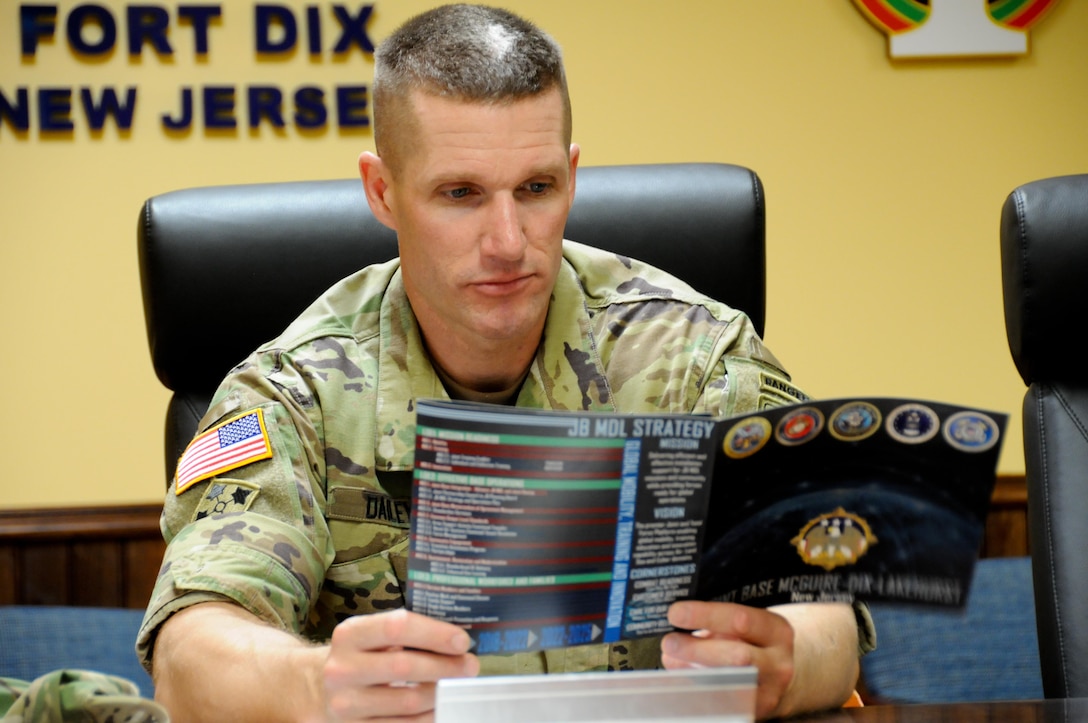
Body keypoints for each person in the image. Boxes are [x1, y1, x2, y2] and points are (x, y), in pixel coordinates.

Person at [136, 4, 873, 721]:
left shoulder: (696, 359)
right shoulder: (299, 390)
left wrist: (785, 662)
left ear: (572, 176)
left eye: (537, 189)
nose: (508, 241)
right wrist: (313, 682)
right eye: (460, 194)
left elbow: (828, 616)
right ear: (382, 191)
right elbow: (190, 650)